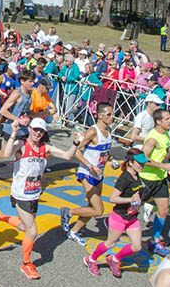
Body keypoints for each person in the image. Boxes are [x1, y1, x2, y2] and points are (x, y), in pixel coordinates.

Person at [0, 118, 80, 280]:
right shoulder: (22, 145)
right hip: (20, 194)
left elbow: (67, 155)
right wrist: (13, 133)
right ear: (29, 129)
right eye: (35, 129)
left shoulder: (46, 147)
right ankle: (26, 263)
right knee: (32, 231)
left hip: (35, 194)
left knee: (24, 226)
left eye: (41, 131)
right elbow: (7, 153)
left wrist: (75, 143)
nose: (38, 133)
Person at [84, 148, 149, 278]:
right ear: (130, 162)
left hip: (132, 217)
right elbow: (113, 198)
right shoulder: (124, 178)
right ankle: (90, 259)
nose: (142, 165)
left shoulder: (137, 175)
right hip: (119, 217)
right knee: (110, 243)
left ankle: (114, 259)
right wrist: (130, 199)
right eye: (139, 163)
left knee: (137, 246)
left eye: (143, 163)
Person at [61, 103, 115, 245]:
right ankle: (68, 211)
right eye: (109, 114)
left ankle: (74, 231)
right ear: (100, 115)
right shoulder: (93, 131)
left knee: (91, 207)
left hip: (99, 174)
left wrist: (111, 160)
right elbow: (76, 151)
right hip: (87, 173)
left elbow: (104, 152)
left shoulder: (108, 131)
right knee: (98, 210)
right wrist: (90, 166)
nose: (112, 117)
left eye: (112, 114)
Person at [141, 108, 170, 257]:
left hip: (160, 179)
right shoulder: (153, 138)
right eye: (167, 119)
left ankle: (154, 240)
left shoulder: (166, 135)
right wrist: (163, 166)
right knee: (129, 210)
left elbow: (165, 158)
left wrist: (169, 179)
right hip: (146, 179)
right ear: (158, 122)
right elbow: (143, 158)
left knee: (163, 210)